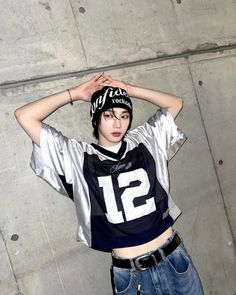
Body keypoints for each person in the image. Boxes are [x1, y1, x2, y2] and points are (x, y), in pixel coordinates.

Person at [15, 73, 204, 294]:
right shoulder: (77, 157)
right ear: (96, 118)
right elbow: (24, 115)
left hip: (174, 261)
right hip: (132, 276)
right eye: (109, 115)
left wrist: (128, 89)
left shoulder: (145, 140)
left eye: (124, 116)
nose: (118, 123)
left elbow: (175, 103)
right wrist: (75, 94)